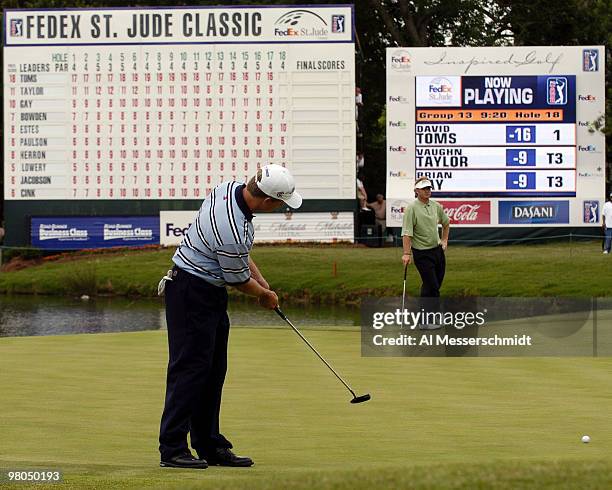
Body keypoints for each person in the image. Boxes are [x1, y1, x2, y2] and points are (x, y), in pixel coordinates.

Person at [158, 164, 302, 469]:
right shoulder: (231, 228)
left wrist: (263, 282)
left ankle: (209, 445)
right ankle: (172, 448)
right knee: (190, 371)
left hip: (206, 292)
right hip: (190, 292)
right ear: (267, 201)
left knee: (212, 371)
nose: (279, 209)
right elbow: (236, 279)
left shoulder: (228, 188)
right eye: (280, 204)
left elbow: (240, 257)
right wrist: (265, 296)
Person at [401, 177, 450, 328]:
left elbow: (446, 222)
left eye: (429, 188)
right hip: (422, 253)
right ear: (416, 191)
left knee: (431, 286)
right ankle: (432, 319)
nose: (428, 190)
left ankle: (423, 321)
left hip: (437, 251)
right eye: (424, 188)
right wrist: (407, 253)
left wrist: (444, 240)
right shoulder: (411, 209)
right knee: (433, 286)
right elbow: (407, 233)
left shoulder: (436, 206)